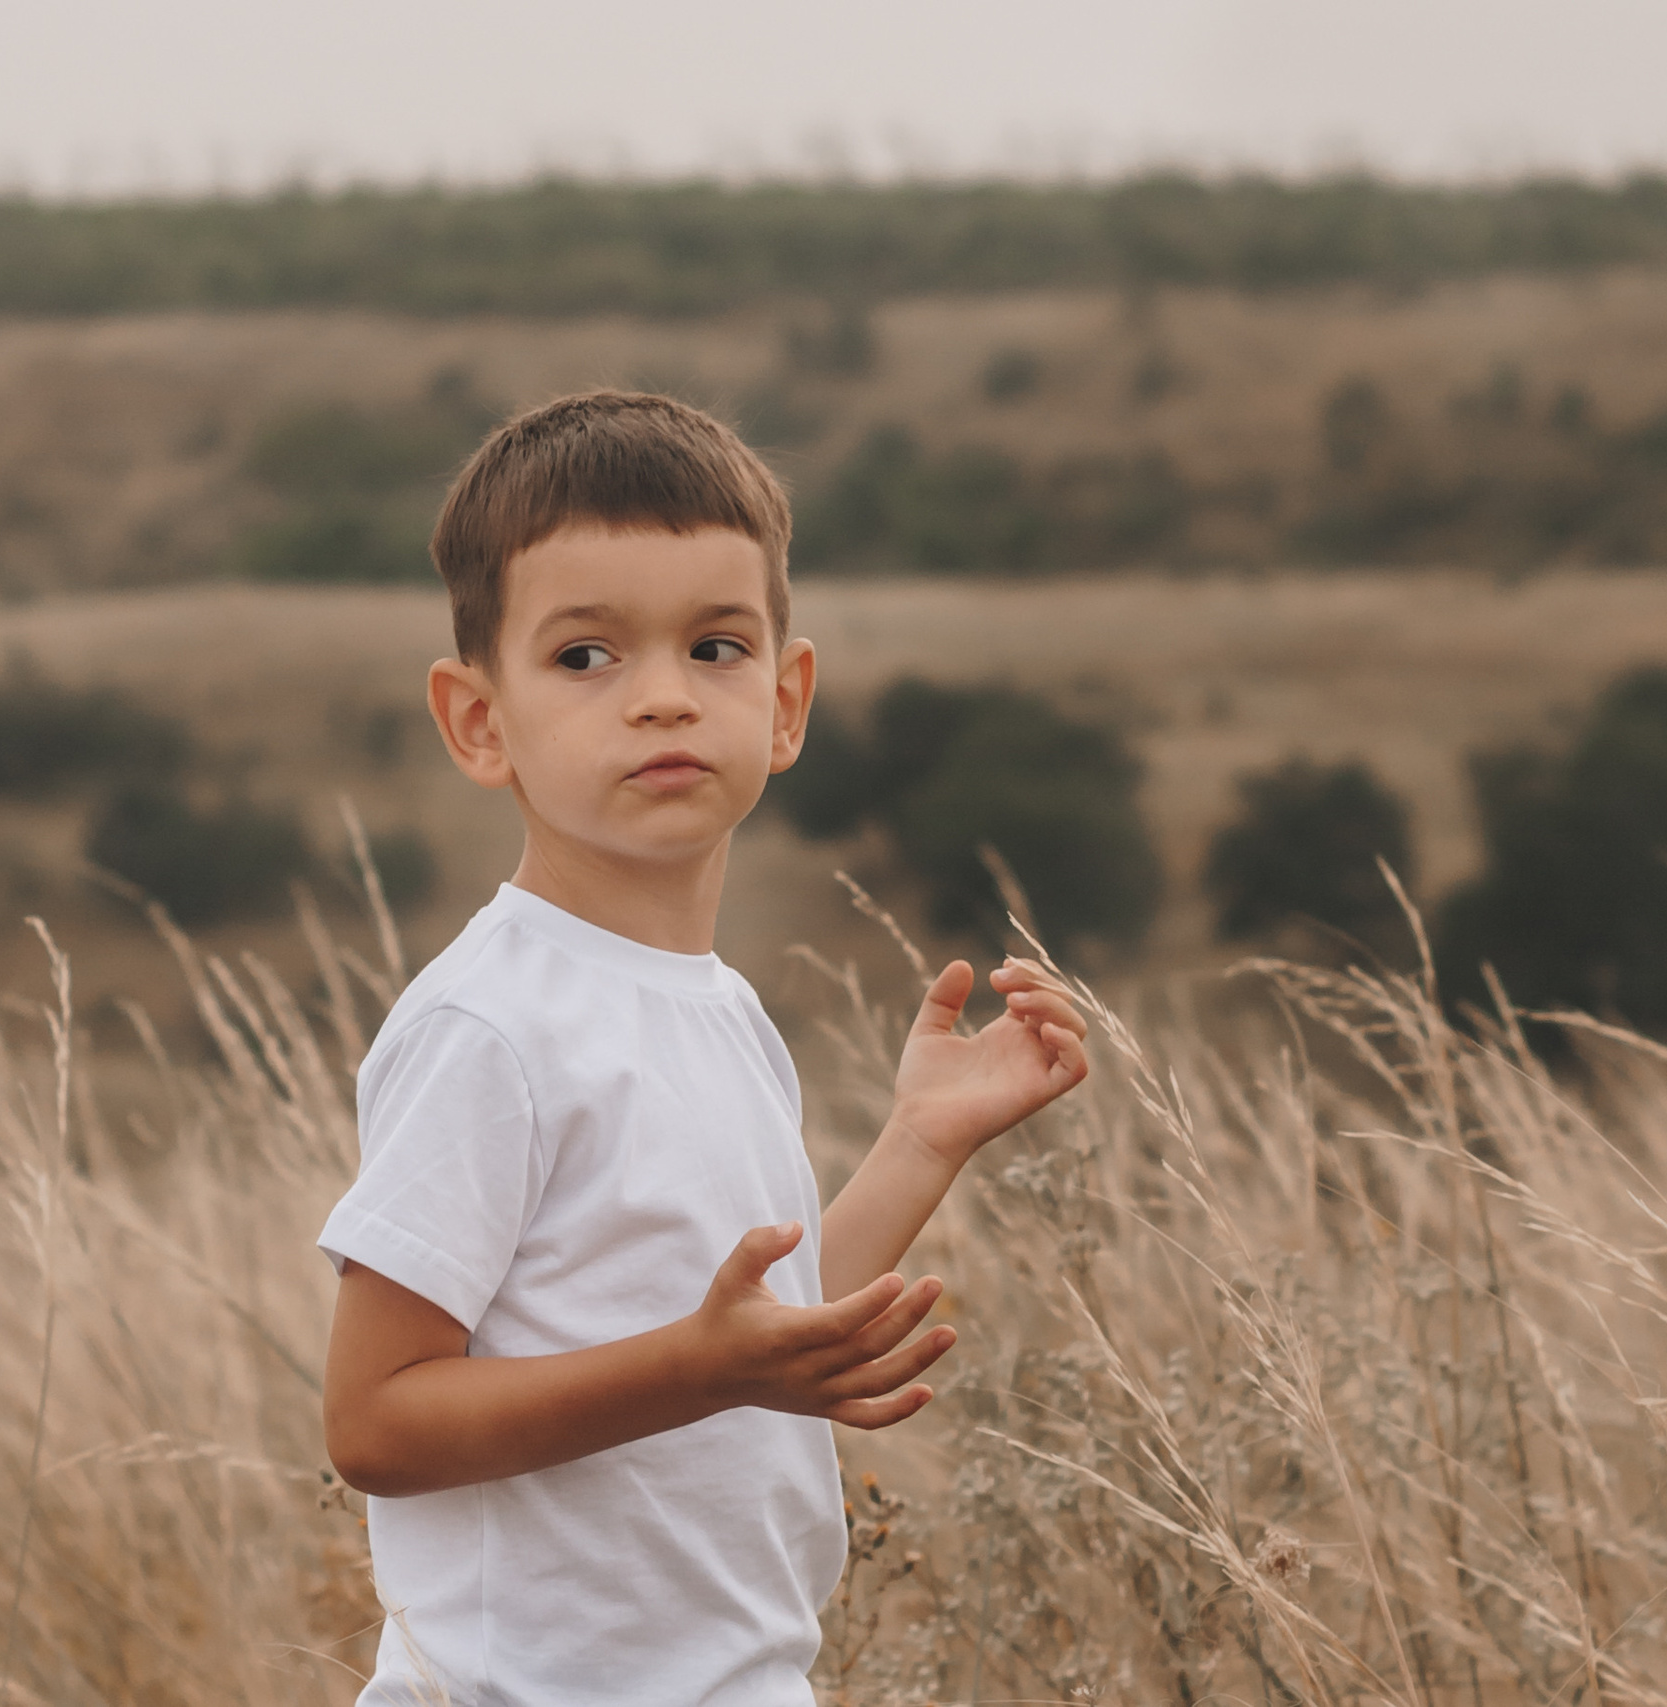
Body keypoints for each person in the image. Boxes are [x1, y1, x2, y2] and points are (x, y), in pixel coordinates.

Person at [317, 391, 1091, 1705]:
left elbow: (756, 1334)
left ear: (786, 704)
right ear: (477, 721)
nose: (663, 698)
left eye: (716, 647)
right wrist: (697, 1367)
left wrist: (921, 1140)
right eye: (585, 657)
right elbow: (375, 1419)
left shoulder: (719, 1009)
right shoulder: (488, 1026)